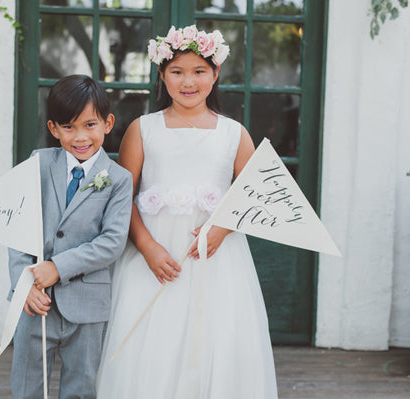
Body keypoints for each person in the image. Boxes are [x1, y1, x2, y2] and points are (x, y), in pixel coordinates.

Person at [95, 25, 278, 398]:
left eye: (199, 71)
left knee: (215, 335)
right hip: (155, 255)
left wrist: (221, 230)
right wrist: (147, 246)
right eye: (177, 72)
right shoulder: (142, 129)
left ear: (215, 74)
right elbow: (121, 198)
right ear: (162, 75)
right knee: (150, 337)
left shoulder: (233, 133)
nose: (188, 81)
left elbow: (252, 195)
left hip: (215, 259)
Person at [8, 74, 133, 399]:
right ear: (53, 128)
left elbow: (112, 242)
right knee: (27, 386)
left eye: (90, 125)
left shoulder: (118, 180)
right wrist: (23, 284)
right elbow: (17, 226)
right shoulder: (37, 163)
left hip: (88, 306)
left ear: (107, 123)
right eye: (69, 127)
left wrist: (57, 266)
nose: (80, 137)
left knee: (80, 388)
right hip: (37, 298)